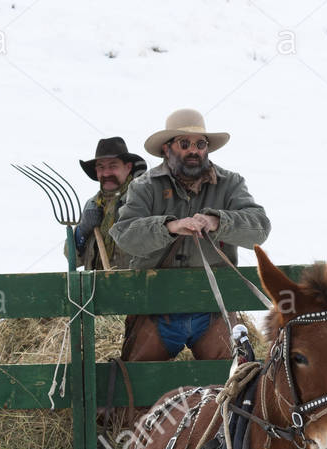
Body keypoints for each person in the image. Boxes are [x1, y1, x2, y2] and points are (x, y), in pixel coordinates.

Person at [110, 108, 271, 361]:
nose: (194, 150)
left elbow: (260, 229)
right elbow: (124, 235)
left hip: (212, 309)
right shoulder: (144, 186)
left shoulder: (231, 183)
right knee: (138, 388)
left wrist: (218, 221)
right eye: (184, 144)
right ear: (167, 148)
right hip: (155, 307)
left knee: (231, 387)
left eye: (200, 144)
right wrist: (169, 227)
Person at [66, 136, 145, 271]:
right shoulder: (92, 204)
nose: (106, 173)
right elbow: (71, 256)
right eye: (101, 167)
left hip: (133, 284)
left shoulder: (142, 199)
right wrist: (82, 231)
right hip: (95, 287)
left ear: (128, 167)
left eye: (113, 166)